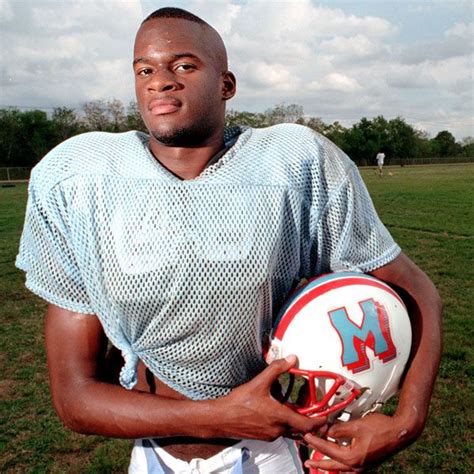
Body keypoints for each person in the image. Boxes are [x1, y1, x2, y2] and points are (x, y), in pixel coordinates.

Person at [16, 7, 442, 473]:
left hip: (268, 452)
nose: (161, 81)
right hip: (155, 454)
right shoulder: (79, 179)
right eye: (145, 69)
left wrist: (407, 422)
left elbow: (416, 291)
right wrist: (219, 417)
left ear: (227, 85)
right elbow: (74, 396)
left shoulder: (295, 163)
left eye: (184, 65)